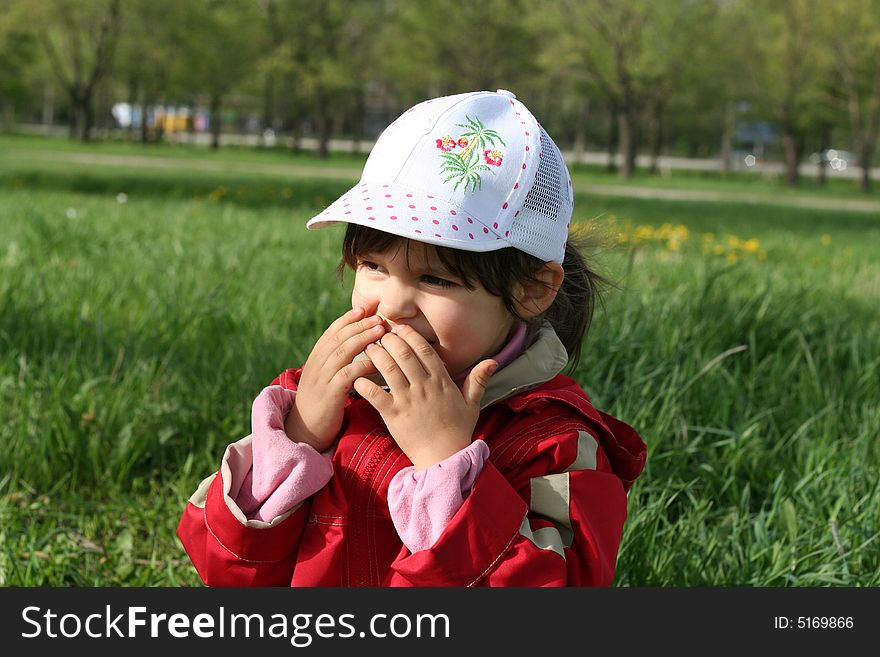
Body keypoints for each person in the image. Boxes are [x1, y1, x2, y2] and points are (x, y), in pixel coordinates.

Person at [177, 89, 647, 587]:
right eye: (373, 266)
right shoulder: (321, 399)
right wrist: (297, 438)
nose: (393, 305)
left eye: (435, 280)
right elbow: (226, 569)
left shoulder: (556, 445)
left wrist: (446, 466)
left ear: (532, 290)